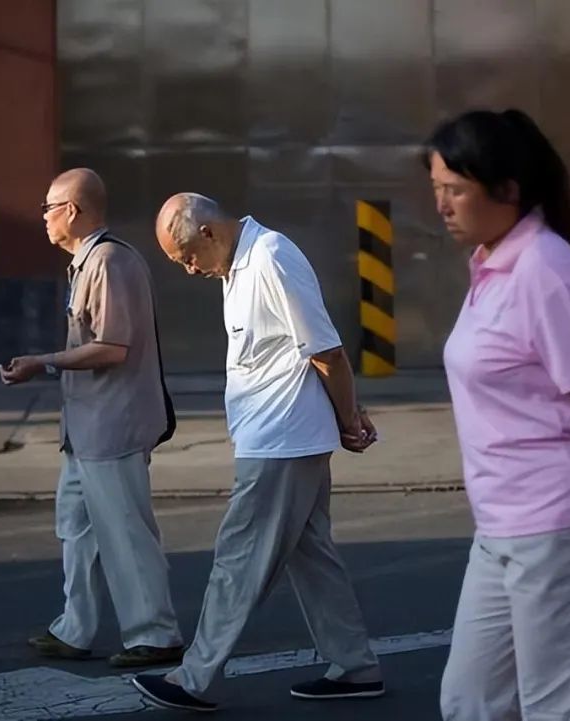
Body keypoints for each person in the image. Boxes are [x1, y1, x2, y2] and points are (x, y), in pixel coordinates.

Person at [424, 110, 570, 721]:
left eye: (455, 190)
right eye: (436, 190)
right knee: (471, 701)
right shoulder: (491, 266)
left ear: (508, 189)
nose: (443, 206)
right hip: (501, 522)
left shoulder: (544, 270)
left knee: (560, 707)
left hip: (559, 525)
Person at [130, 193, 384, 712]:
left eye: (186, 258)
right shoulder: (238, 268)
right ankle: (356, 666)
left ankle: (193, 678)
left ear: (207, 232)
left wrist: (349, 418)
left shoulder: (270, 257)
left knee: (238, 559)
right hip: (280, 438)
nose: (188, 270)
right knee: (312, 557)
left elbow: (327, 351)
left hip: (282, 442)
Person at [0, 168, 185, 669]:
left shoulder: (107, 262)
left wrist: (44, 360)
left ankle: (156, 632)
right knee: (76, 529)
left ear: (73, 211)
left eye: (48, 207)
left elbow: (112, 347)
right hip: (84, 428)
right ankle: (74, 628)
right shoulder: (85, 263)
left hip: (113, 426)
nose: (43, 218)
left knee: (125, 530)